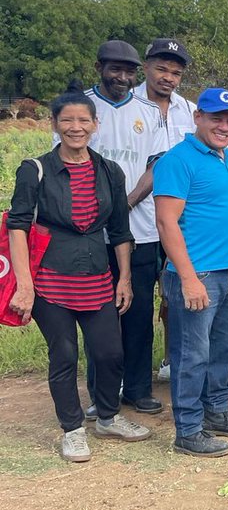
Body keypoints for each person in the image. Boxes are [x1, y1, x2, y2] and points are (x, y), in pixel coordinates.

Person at [8, 85, 151, 462]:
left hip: (98, 276)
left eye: (83, 120)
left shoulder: (109, 171)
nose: (75, 127)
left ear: (95, 124)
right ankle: (72, 429)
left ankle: (107, 416)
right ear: (54, 124)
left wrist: (124, 278)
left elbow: (120, 230)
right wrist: (24, 286)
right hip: (50, 279)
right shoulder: (34, 170)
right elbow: (17, 226)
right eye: (67, 120)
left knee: (108, 353)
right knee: (65, 353)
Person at [154, 88, 228, 457]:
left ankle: (215, 412)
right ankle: (188, 429)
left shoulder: (225, 156)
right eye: (217, 118)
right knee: (191, 354)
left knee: (222, 349)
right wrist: (187, 277)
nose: (225, 126)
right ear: (198, 117)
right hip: (199, 274)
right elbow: (166, 223)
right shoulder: (177, 160)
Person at [64, 41, 162, 416]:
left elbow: (155, 164)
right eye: (114, 69)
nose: (122, 77)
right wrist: (100, 209)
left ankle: (138, 389)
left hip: (140, 231)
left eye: (129, 71)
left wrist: (124, 204)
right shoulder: (81, 108)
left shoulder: (148, 111)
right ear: (99, 66)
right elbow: (69, 163)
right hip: (89, 233)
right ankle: (101, 393)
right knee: (97, 318)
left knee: (137, 316)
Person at [133, 38, 198, 385]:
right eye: (161, 68)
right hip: (136, 220)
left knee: (176, 296)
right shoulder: (129, 106)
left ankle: (172, 360)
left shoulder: (188, 110)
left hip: (179, 220)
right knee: (137, 301)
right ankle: (134, 376)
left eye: (175, 72)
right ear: (146, 67)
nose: (168, 77)